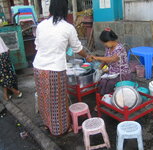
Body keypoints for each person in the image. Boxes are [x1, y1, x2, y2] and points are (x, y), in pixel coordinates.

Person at [33, 0, 92, 136]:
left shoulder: (41, 25)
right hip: (55, 70)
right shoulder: (68, 27)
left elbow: (37, 46)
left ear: (51, 9)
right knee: (57, 101)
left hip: (38, 67)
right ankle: (60, 129)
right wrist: (87, 56)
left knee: (44, 98)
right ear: (65, 10)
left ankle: (48, 124)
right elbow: (77, 48)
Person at [92, 28, 131, 95]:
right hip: (112, 72)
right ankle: (101, 99)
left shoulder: (120, 48)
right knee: (102, 81)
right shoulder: (108, 47)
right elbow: (106, 59)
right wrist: (99, 69)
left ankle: (109, 100)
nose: (104, 44)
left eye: (105, 42)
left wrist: (97, 57)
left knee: (111, 84)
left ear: (111, 40)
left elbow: (112, 59)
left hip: (121, 74)